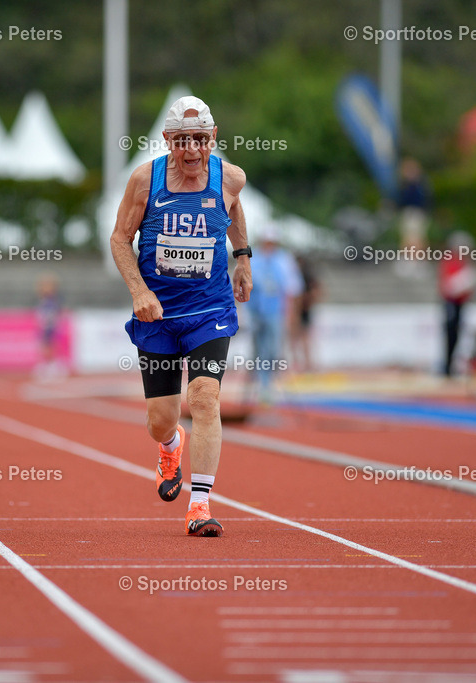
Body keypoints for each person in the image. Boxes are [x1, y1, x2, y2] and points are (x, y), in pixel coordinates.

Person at [110, 95, 252, 537]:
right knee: (160, 420)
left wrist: (243, 258)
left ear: (213, 138)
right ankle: (170, 447)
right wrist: (139, 291)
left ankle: (200, 504)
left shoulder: (230, 177)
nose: (191, 150)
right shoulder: (144, 180)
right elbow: (119, 240)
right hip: (158, 315)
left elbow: (231, 209)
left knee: (205, 399)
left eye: (200, 139)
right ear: (168, 140)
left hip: (209, 309)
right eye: (182, 140)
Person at [244, 226, 303, 401]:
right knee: (257, 350)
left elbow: (293, 288)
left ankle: (267, 385)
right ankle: (260, 386)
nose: (269, 245)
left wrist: (292, 314)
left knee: (272, 350)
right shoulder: (253, 259)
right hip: (255, 312)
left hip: (275, 312)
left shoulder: (284, 259)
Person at [438, 232, 476, 377]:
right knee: (450, 335)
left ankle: (453, 364)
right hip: (451, 304)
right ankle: (447, 366)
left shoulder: (463, 264)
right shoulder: (451, 261)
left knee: (458, 335)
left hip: (460, 304)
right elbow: (448, 286)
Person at [290, 254, 322, 373]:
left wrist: (307, 302)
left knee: (303, 339)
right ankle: (300, 363)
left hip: (303, 311)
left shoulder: (306, 276)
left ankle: (306, 364)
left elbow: (316, 291)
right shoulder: (296, 276)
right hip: (298, 310)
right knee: (297, 339)